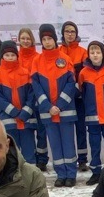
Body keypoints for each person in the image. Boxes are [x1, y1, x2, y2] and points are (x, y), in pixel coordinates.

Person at [31, 24, 78, 187]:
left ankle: (71, 174)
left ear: (55, 39)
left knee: (68, 144)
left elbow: (71, 84)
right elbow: (36, 86)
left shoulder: (65, 59)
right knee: (55, 145)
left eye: (49, 38)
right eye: (44, 39)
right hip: (48, 112)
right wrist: (48, 106)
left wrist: (59, 105)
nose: (47, 42)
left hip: (65, 111)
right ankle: (61, 174)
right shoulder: (36, 61)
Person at [78, 40, 104, 186]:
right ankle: (96, 173)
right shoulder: (83, 73)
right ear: (88, 55)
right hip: (92, 118)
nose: (95, 55)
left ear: (103, 54)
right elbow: (83, 94)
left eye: (98, 52)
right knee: (94, 146)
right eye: (92, 52)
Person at [0, 41, 37, 165]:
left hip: (26, 121)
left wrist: (25, 112)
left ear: (17, 56)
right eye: (7, 55)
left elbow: (32, 95)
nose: (10, 57)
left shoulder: (25, 73)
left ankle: (30, 178)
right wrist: (15, 112)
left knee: (29, 153)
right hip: (8, 121)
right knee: (11, 154)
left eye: (13, 55)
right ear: (2, 56)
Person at [60, 20, 89, 172]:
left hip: (78, 97)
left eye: (72, 31)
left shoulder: (83, 52)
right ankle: (68, 157)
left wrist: (77, 90)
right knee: (66, 130)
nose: (70, 34)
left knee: (81, 128)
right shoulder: (58, 53)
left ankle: (83, 159)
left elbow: (84, 75)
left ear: (76, 34)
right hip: (62, 100)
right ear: (62, 34)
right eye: (67, 31)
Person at [18, 27, 48, 171]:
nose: (25, 41)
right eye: (23, 38)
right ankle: (29, 158)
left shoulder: (38, 57)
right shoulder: (15, 57)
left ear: (32, 40)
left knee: (41, 131)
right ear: (18, 40)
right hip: (24, 100)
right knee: (27, 131)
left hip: (38, 99)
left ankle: (42, 159)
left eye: (28, 38)